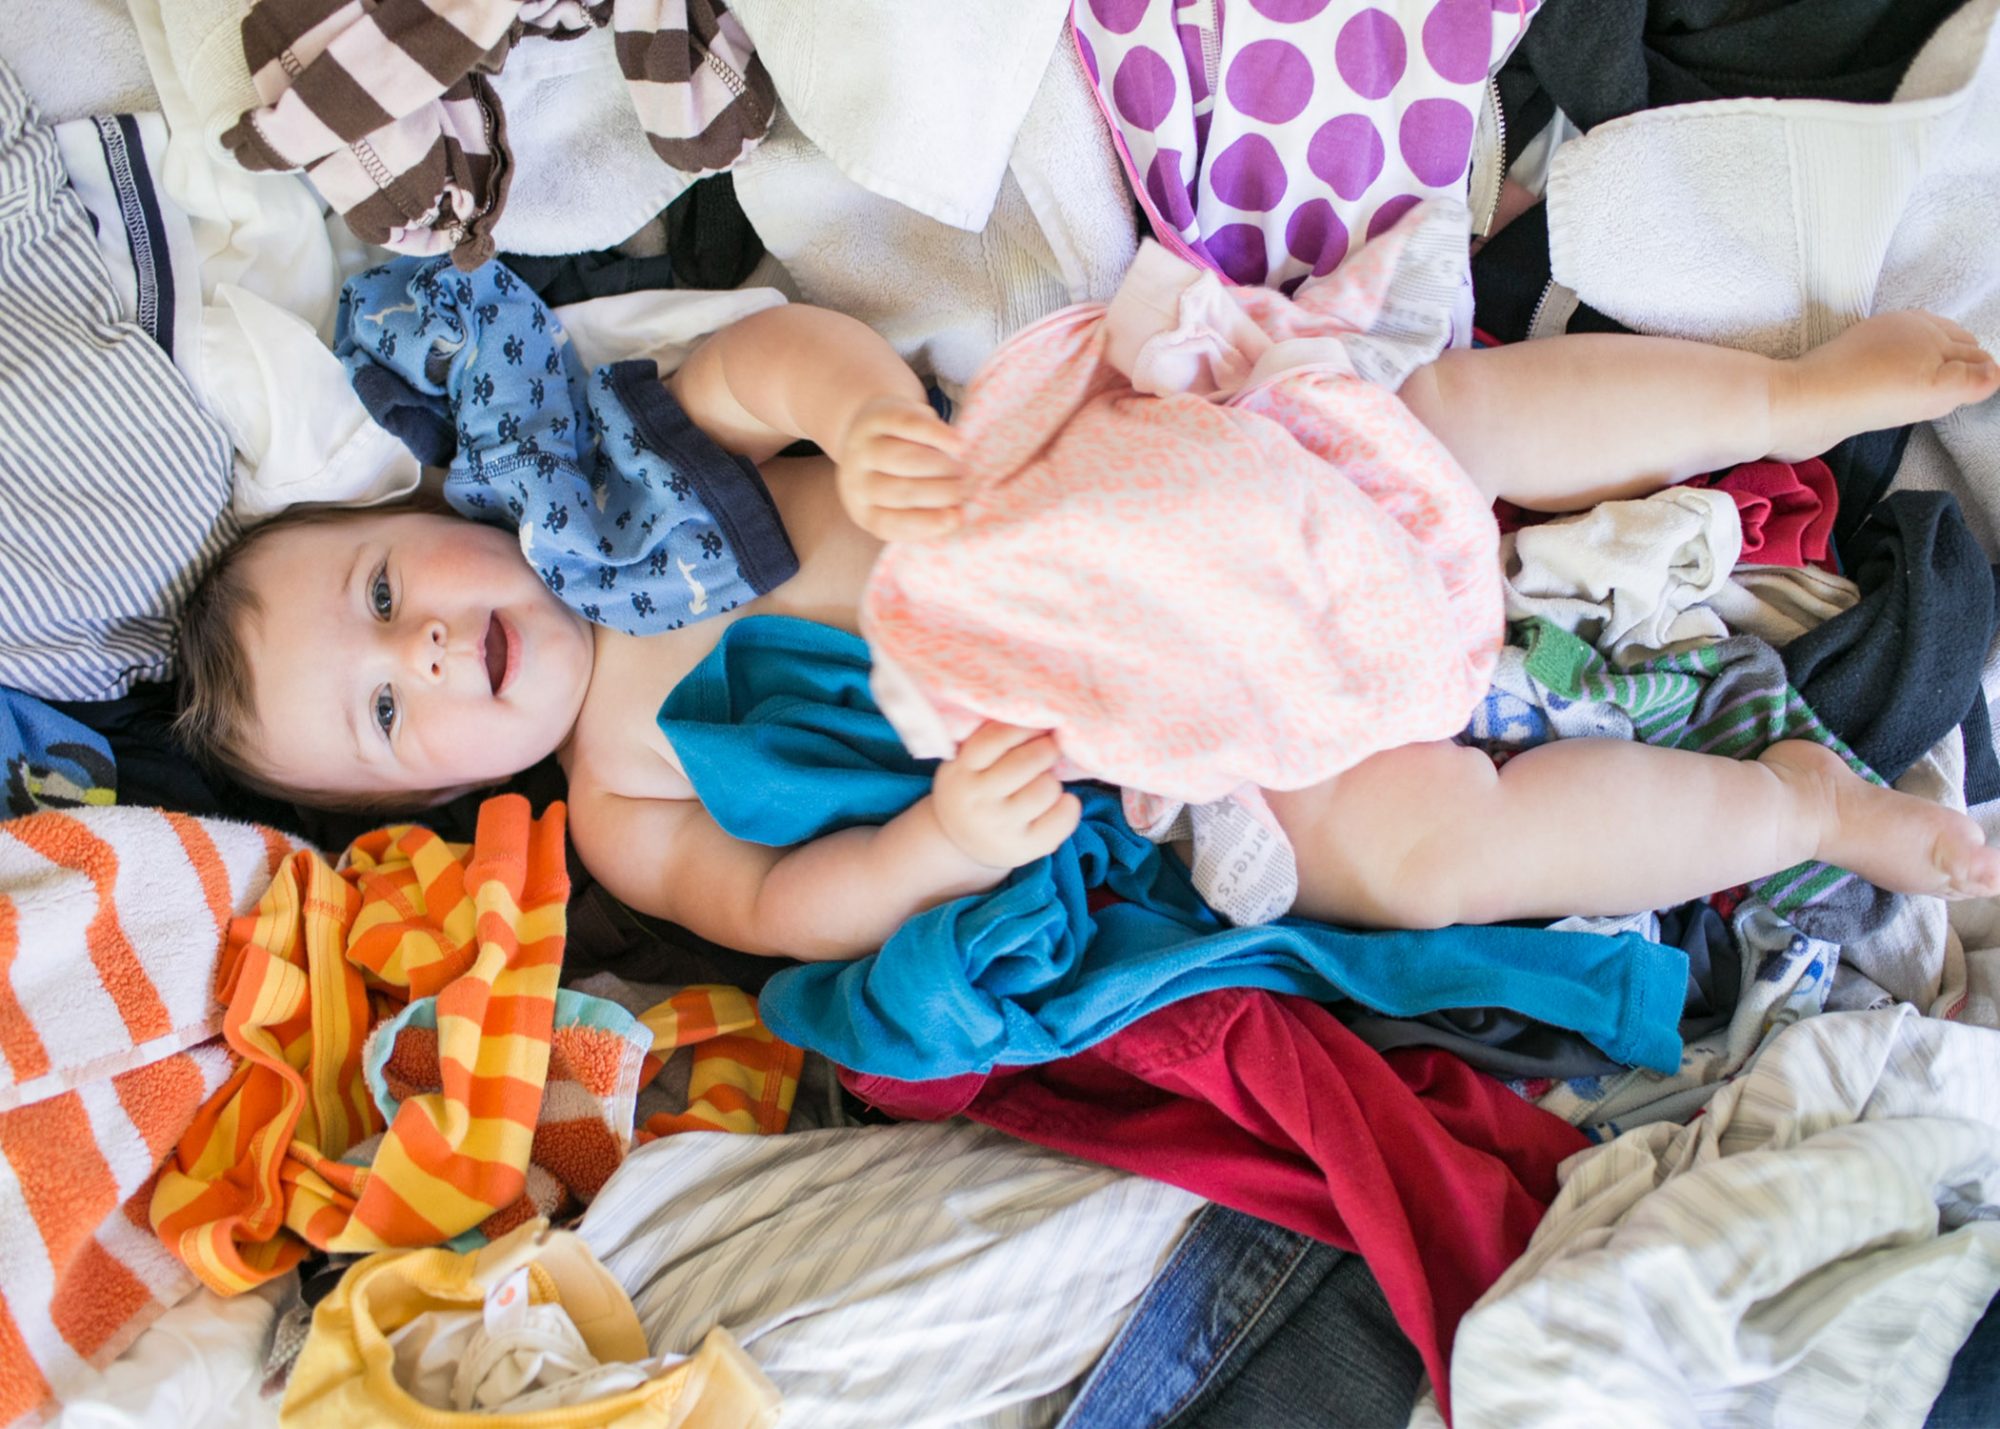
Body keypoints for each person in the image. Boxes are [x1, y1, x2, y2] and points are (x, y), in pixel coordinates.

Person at [174, 288, 2000, 961]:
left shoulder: (606, 478)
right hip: (1182, 731)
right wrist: (932, 844)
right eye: (388, 713)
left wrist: (860, 414)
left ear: (424, 516)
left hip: (1167, 496)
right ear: (421, 795)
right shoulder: (619, 800)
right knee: (1427, 861)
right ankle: (1802, 811)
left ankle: (1781, 390)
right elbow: (772, 909)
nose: (421, 653)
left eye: (386, 592)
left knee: (1440, 414)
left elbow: (755, 360)